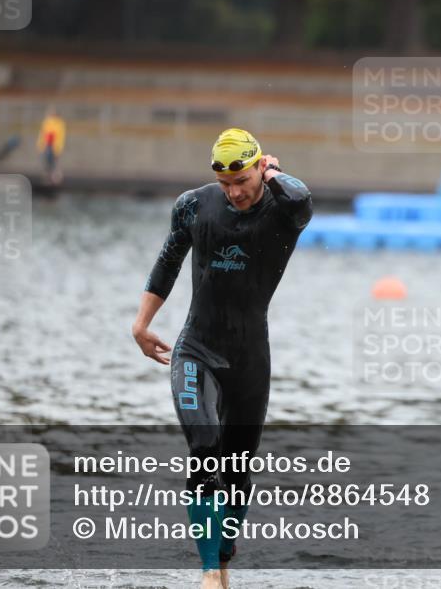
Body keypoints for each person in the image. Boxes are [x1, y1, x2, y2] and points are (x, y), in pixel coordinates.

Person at [132, 128, 312, 589]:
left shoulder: (283, 209)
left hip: (251, 359)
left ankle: (224, 561)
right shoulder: (194, 205)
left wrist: (272, 175)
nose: (234, 193)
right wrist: (141, 323)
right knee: (205, 447)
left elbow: (301, 198)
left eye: (243, 182)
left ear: (260, 170)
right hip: (198, 349)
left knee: (236, 470)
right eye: (225, 184)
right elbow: (169, 260)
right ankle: (209, 571)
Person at [35, 106, 66, 185]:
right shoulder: (47, 122)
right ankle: (47, 178)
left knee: (55, 162)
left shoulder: (60, 123)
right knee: (46, 161)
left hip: (55, 145)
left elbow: (61, 136)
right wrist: (40, 144)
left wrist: (59, 147)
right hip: (47, 145)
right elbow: (42, 134)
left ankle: (56, 179)